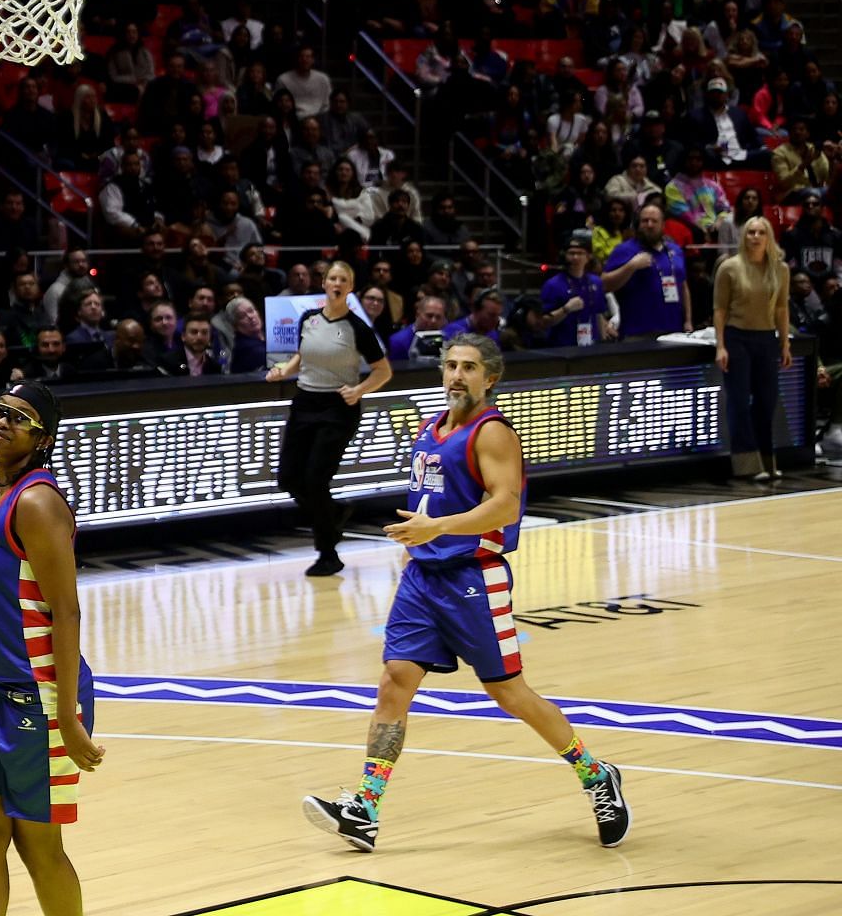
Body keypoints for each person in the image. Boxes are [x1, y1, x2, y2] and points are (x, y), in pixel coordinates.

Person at [303, 335, 631, 853]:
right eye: (451, 365)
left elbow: (505, 506)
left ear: (490, 377)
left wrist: (438, 529)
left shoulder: (493, 432)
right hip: (423, 579)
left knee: (508, 693)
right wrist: (417, 547)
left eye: (469, 367)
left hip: (473, 578)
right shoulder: (430, 429)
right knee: (394, 682)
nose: (457, 375)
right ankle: (365, 808)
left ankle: (596, 776)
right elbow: (427, 502)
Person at [0, 383, 102, 916]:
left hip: (38, 696)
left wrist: (66, 716)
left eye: (17, 418)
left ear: (42, 438)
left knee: (37, 845)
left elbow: (66, 613)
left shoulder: (38, 501)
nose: (0, 421)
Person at [266, 262, 393, 577]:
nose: (337, 283)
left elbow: (384, 371)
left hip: (337, 408)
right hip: (304, 402)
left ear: (350, 288)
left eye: (344, 280)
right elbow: (302, 356)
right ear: (323, 283)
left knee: (315, 480)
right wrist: (285, 369)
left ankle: (328, 553)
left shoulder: (358, 328)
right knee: (288, 479)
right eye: (332, 278)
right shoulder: (308, 319)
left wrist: (360, 390)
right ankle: (334, 512)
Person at [714, 217, 792, 482]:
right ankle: (747, 464)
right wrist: (720, 345)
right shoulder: (729, 268)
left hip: (766, 339)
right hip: (737, 338)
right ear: (743, 237)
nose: (755, 237)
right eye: (750, 232)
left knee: (766, 401)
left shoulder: (780, 269)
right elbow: (720, 310)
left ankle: (768, 460)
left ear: (769, 237)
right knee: (738, 401)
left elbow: (782, 308)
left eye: (761, 232)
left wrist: (784, 342)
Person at [603, 203, 691, 338]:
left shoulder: (675, 250)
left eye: (654, 221)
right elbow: (604, 284)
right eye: (645, 221)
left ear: (662, 225)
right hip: (638, 332)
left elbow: (683, 287)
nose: (649, 225)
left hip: (674, 329)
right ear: (638, 224)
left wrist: (688, 320)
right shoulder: (624, 250)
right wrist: (631, 266)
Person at [539, 232, 611, 348]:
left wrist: (603, 344)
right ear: (564, 256)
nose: (575, 257)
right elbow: (544, 321)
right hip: (562, 347)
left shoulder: (596, 282)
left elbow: (599, 314)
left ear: (588, 257)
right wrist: (566, 309)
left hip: (591, 345)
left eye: (580, 253)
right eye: (571, 253)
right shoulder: (553, 285)